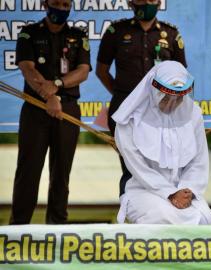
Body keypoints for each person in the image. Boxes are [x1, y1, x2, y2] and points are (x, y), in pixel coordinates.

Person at [10, 0, 91, 224]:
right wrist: (50, 97)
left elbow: (83, 71)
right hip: (36, 108)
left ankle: (57, 229)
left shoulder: (79, 35)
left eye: (66, 4)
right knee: (28, 171)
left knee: (61, 174)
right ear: (46, 4)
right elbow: (27, 67)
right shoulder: (29, 33)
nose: (62, 8)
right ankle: (18, 229)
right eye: (57, 3)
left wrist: (56, 86)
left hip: (68, 110)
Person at [96, 0, 187, 197]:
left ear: (159, 2)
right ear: (130, 2)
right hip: (125, 113)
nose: (145, 2)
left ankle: (159, 217)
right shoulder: (116, 31)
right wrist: (124, 97)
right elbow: (101, 71)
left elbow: (181, 75)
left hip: (161, 113)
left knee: (161, 167)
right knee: (131, 168)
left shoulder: (171, 34)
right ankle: (131, 215)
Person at [112, 61, 211, 225]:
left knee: (206, 219)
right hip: (143, 190)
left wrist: (187, 190)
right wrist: (170, 193)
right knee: (163, 217)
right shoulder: (129, 120)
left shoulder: (193, 114)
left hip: (184, 192)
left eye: (178, 99)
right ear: (154, 91)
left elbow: (199, 162)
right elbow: (139, 168)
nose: (171, 104)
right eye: (166, 98)